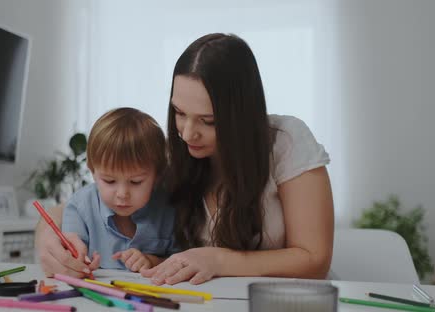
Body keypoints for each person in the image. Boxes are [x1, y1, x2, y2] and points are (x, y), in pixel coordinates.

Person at [36, 33, 334, 284]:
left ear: (240, 116)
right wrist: (49, 240)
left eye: (208, 121)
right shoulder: (173, 156)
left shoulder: (285, 142)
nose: (188, 133)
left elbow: (314, 259)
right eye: (179, 113)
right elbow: (80, 203)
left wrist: (219, 260)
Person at [36, 107, 176, 277]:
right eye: (109, 181)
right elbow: (69, 252)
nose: (122, 194)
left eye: (136, 182)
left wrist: (151, 260)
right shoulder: (80, 206)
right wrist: (77, 260)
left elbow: (179, 261)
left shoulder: (169, 209)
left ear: (157, 176)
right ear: (92, 171)